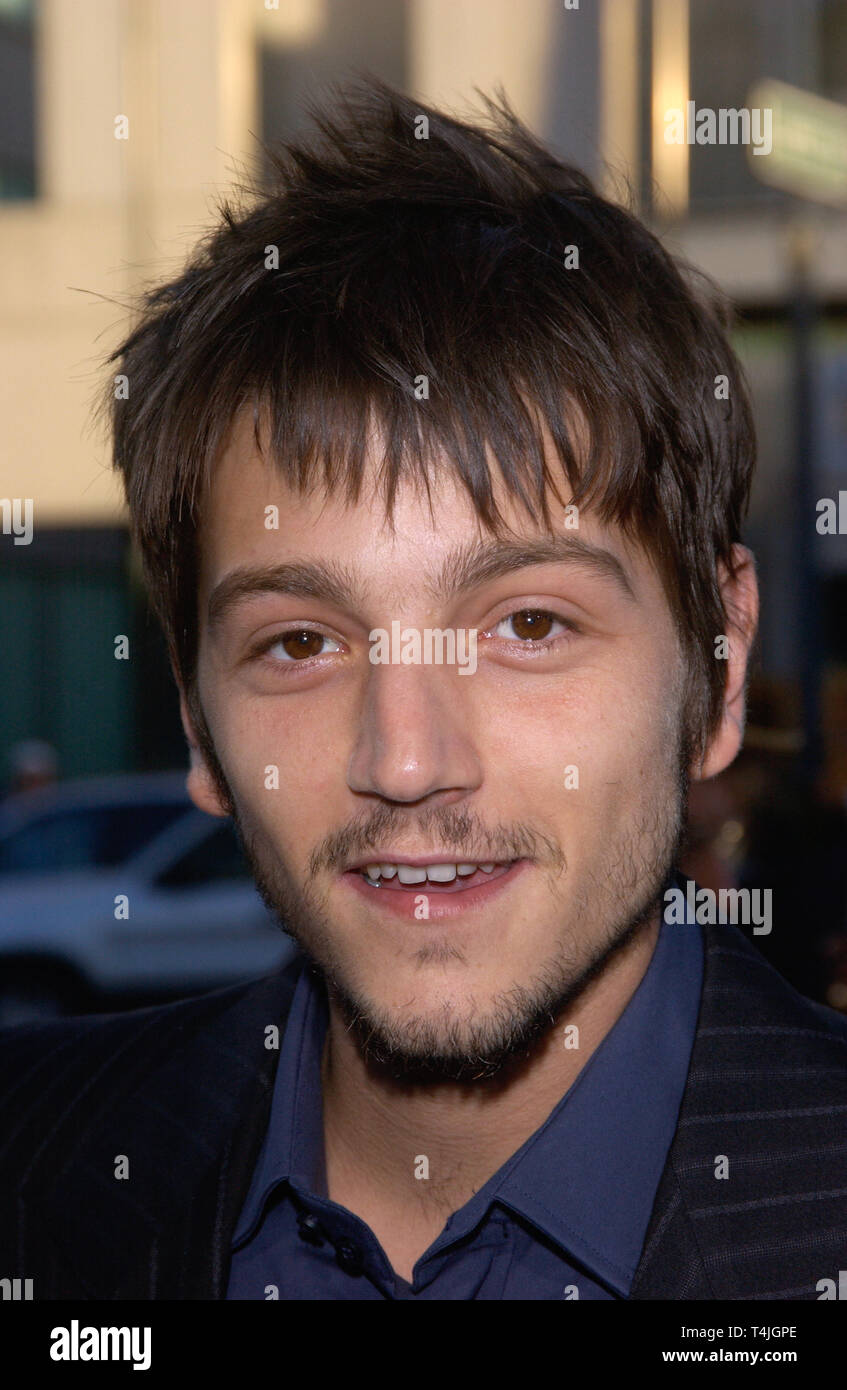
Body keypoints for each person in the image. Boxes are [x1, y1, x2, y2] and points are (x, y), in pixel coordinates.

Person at [2, 78, 845, 1302]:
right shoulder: (37, 1169)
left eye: (529, 623)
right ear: (194, 717)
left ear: (717, 671)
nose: (405, 760)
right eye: (301, 644)